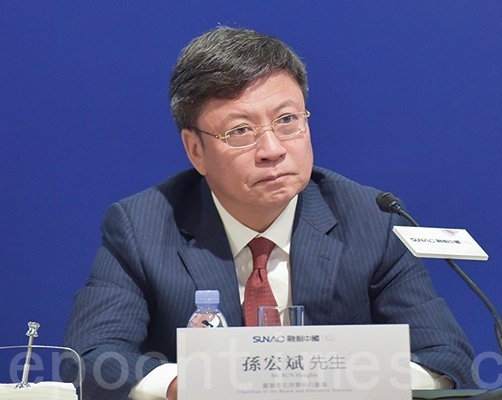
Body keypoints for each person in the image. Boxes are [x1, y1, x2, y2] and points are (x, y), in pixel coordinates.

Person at [61, 26, 476, 399]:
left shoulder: (371, 220)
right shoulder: (143, 226)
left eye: (287, 120)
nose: (273, 150)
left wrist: (353, 381)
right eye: (241, 131)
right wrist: (184, 386)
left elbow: (446, 358)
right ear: (195, 150)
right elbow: (91, 357)